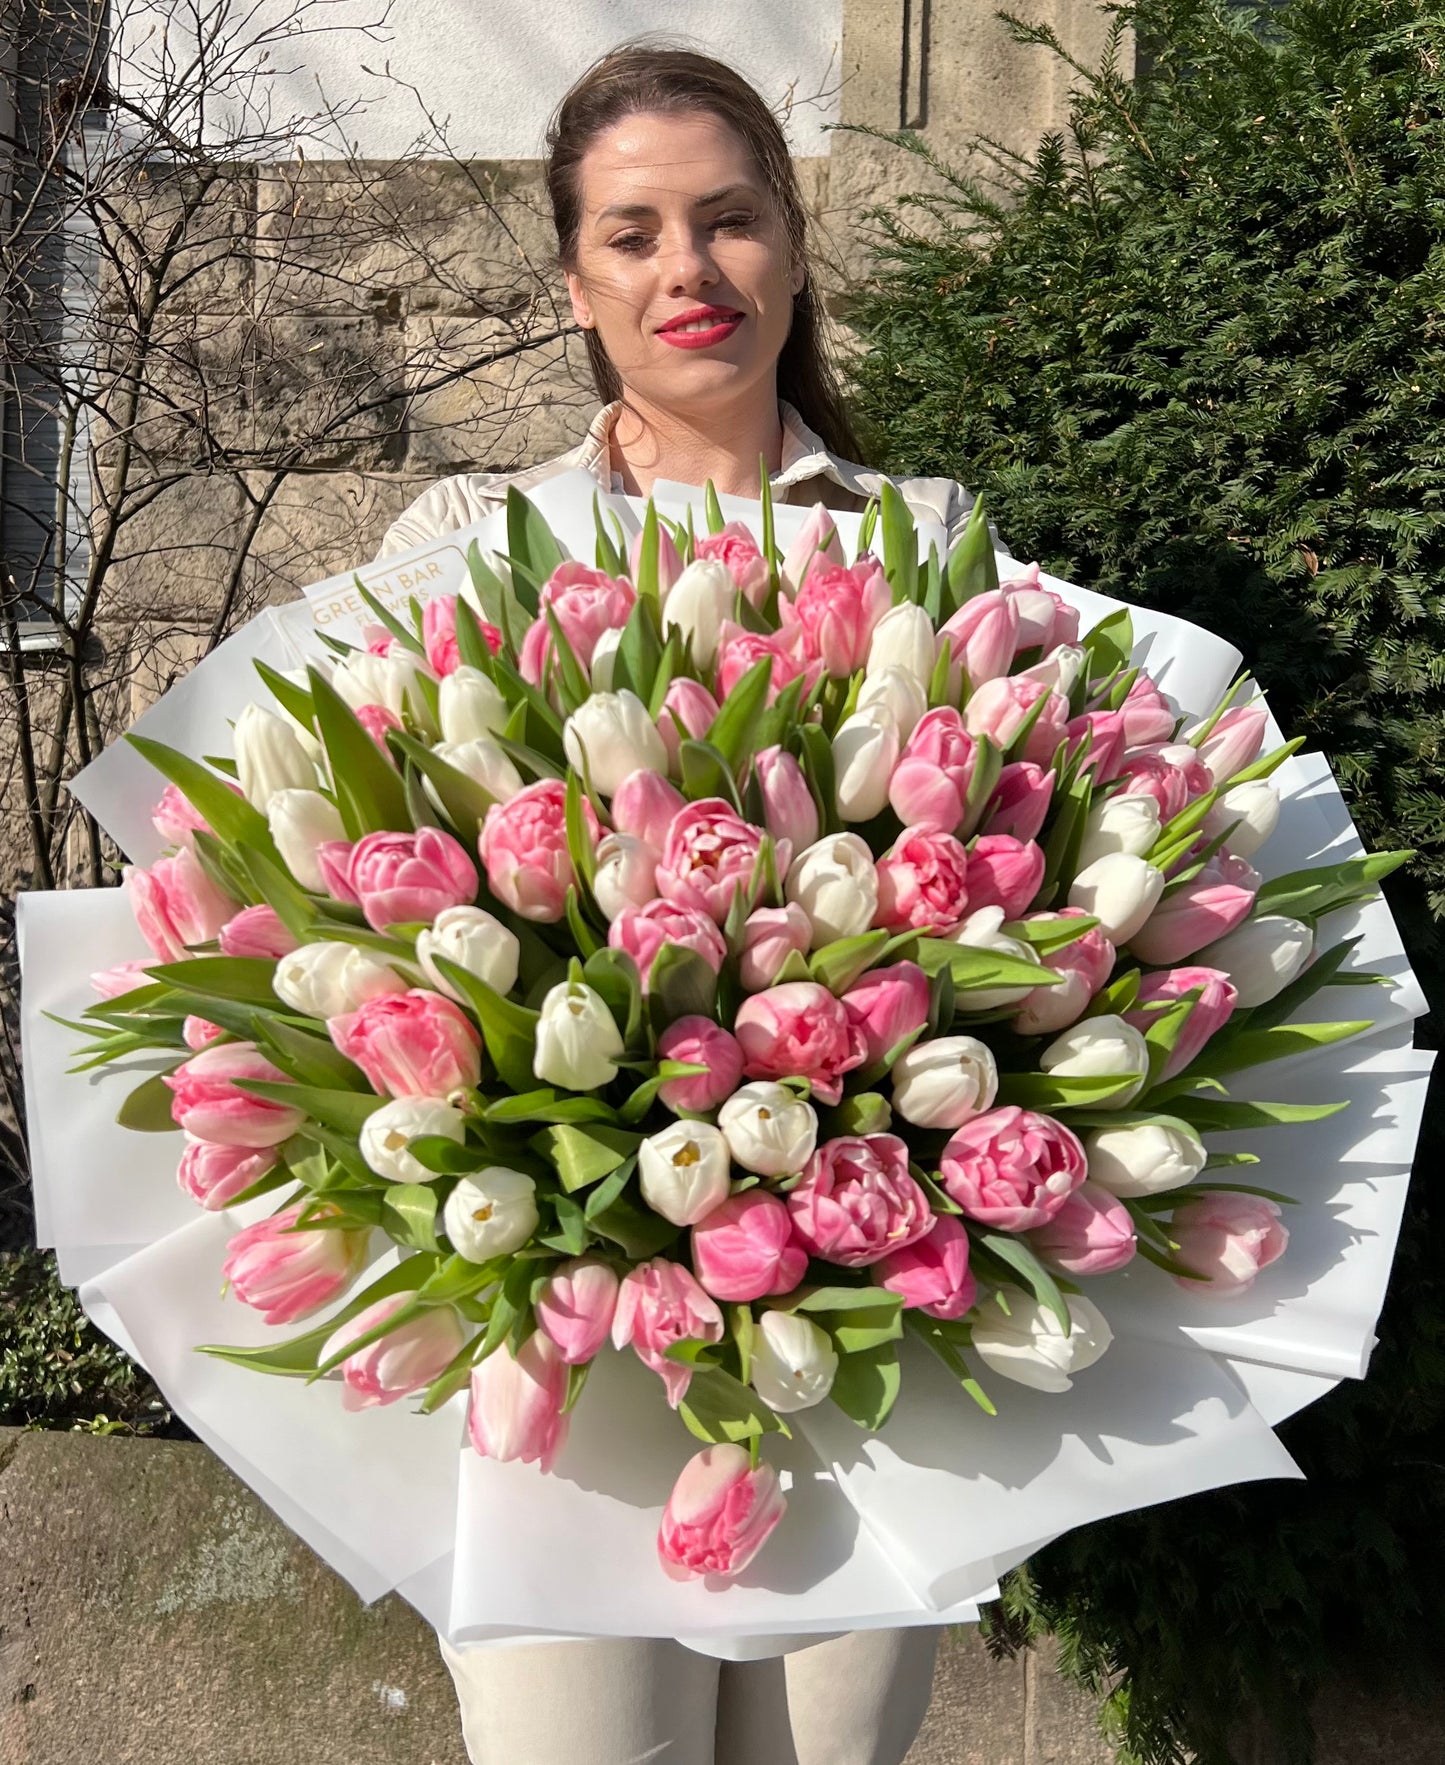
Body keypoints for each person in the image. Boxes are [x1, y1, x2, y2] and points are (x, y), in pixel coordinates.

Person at [376, 40, 1003, 1765]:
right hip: (562, 1320)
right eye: (635, 233)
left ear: (792, 248)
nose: (687, 271)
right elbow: (342, 916)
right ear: (574, 283)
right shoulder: (462, 542)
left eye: (726, 222)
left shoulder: (925, 542)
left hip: (860, 1320)